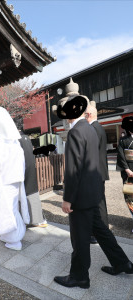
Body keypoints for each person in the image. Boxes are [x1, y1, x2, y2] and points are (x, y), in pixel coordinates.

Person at [53, 96, 133, 289]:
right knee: (102, 232)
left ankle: (79, 276)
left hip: (80, 196)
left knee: (80, 238)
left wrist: (67, 199)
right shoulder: (90, 129)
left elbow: (73, 169)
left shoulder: (75, 133)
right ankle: (123, 263)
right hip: (93, 192)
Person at [0, 106, 30, 251]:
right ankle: (10, 235)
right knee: (12, 208)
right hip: (15, 179)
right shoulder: (15, 142)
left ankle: (14, 240)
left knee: (5, 210)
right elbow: (22, 163)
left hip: (3, 180)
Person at [13, 116, 48, 227]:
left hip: (23, 170)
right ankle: (37, 219)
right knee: (32, 193)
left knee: (25, 195)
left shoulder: (16, 139)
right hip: (31, 168)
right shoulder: (26, 137)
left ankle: (31, 219)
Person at [85, 105, 109, 244]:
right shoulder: (99, 127)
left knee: (98, 204)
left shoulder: (93, 129)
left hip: (96, 173)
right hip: (100, 171)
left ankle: (100, 233)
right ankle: (101, 231)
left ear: (88, 115)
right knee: (100, 203)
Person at [116, 116, 133, 234]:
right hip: (128, 173)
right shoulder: (123, 141)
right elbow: (121, 156)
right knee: (130, 197)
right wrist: (127, 170)